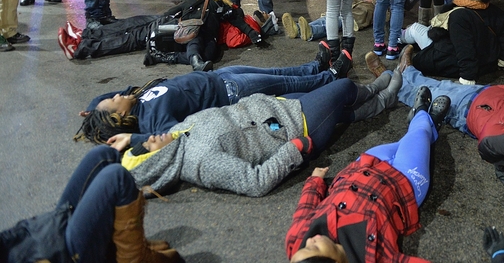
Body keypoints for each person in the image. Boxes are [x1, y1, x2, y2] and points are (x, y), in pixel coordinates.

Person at [121, 73, 405, 197]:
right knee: (342, 88)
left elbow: (141, 144)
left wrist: (127, 142)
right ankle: (378, 93)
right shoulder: (200, 163)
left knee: (339, 112)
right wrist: (292, 150)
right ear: (159, 161)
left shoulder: (175, 135)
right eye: (148, 147)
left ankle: (378, 100)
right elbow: (253, 182)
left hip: (272, 107)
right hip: (292, 128)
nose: (149, 139)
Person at [285, 86, 451, 262]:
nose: (309, 241)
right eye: (314, 247)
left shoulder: (297, 243)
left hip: (363, 166)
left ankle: (426, 121)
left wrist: (314, 181)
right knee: (419, 135)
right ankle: (424, 117)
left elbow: (304, 209)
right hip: (405, 184)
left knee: (410, 140)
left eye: (304, 247)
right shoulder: (373, 258)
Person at [74, 58, 346, 151]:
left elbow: (107, 97)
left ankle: (315, 66)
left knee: (277, 73)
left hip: (217, 76)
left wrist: (93, 108)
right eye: (112, 102)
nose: (115, 95)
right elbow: (173, 137)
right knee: (285, 86)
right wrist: (133, 139)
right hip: (228, 92)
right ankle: (330, 77)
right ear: (119, 115)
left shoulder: (138, 98)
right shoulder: (151, 121)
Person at [0, 146, 181, 262]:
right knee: (116, 178)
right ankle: (134, 258)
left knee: (104, 156)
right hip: (57, 254)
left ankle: (113, 251)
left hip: (43, 233)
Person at [57, 0, 269, 68]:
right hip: (171, 22)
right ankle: (86, 35)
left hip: (177, 29)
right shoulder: (200, 0)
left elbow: (238, 25)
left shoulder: (214, 3)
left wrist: (255, 31)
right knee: (130, 25)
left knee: (133, 36)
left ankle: (82, 47)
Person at [384, 0, 504, 85]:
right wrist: (502, 61)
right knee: (418, 30)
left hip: (451, 57)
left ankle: (396, 40)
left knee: (414, 29)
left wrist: (467, 78)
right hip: (487, 60)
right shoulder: (494, 11)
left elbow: (464, 48)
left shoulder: (459, 16)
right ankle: (401, 39)